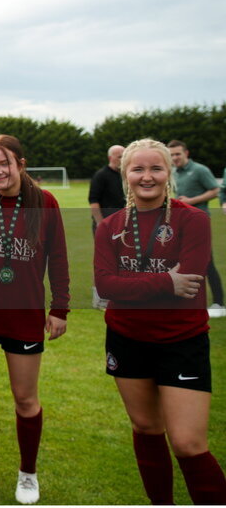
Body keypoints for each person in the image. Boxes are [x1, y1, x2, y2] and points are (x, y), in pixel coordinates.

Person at [95, 138, 226, 504]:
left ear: (169, 173)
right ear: (125, 174)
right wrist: (166, 280)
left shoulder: (193, 220)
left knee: (188, 443)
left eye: (156, 168)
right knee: (147, 428)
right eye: (138, 169)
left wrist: (130, 286)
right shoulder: (110, 227)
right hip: (127, 338)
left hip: (181, 341)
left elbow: (192, 279)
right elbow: (104, 284)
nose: (147, 176)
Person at [0, 134, 69, 505]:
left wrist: (60, 307)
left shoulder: (45, 203)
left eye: (3, 163)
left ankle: (28, 474)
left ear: (21, 163)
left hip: (24, 318)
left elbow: (58, 259)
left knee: (26, 399)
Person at [168, 140, 224, 317]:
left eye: (177, 154)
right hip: (180, 223)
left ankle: (219, 303)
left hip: (199, 223)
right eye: (171, 155)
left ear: (186, 153)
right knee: (181, 261)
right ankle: (185, 300)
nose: (175, 158)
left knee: (206, 261)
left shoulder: (200, 170)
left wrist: (191, 201)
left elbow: (215, 190)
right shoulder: (174, 172)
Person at [89, 145, 126, 308]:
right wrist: (100, 223)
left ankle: (119, 294)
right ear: (111, 157)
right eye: (120, 156)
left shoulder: (125, 175)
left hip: (124, 226)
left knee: (122, 260)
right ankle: (99, 298)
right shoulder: (101, 175)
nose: (123, 159)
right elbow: (93, 200)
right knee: (103, 261)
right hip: (105, 225)